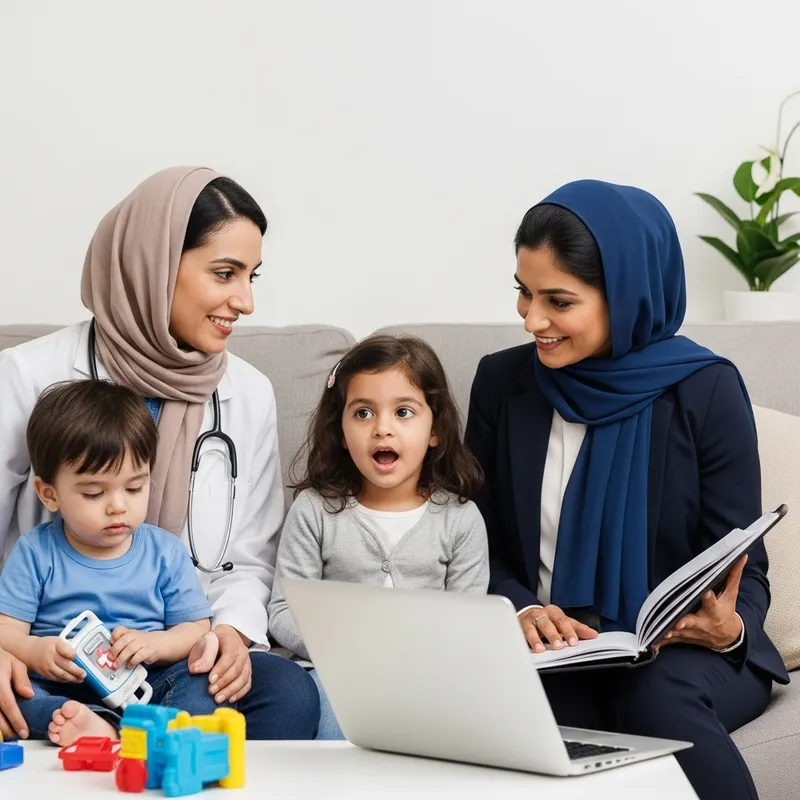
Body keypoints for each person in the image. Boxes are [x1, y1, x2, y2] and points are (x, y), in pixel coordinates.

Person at [464, 179, 790, 800]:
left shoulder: (707, 391)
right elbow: (477, 541)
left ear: (627, 294)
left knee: (653, 698)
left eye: (559, 300)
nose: (532, 319)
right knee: (529, 705)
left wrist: (730, 629)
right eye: (524, 292)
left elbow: (745, 567)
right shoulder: (502, 384)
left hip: (685, 654)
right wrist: (522, 608)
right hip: (552, 649)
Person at [0, 166, 319, 739]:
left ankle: (134, 738)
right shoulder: (26, 376)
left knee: (289, 692)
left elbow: (249, 558)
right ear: (156, 264)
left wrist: (229, 635)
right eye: (225, 273)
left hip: (169, 655)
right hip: (52, 657)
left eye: (251, 277)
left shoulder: (248, 392)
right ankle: (145, 740)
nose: (245, 301)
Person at [269, 334, 490, 739]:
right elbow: (283, 610)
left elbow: (468, 623)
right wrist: (341, 649)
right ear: (341, 430)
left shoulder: (460, 520)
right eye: (363, 413)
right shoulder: (314, 510)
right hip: (334, 673)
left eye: (403, 412)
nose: (382, 429)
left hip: (428, 677)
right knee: (330, 717)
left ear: (436, 430)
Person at [0, 380, 215, 745]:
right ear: (49, 494)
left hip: (147, 681)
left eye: (134, 488)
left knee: (200, 679)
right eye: (94, 493)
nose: (118, 506)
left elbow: (196, 629)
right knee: (21, 693)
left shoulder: (164, 551)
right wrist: (34, 652)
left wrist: (156, 644)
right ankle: (101, 726)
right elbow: (6, 629)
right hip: (62, 685)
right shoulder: (36, 551)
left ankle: (147, 728)